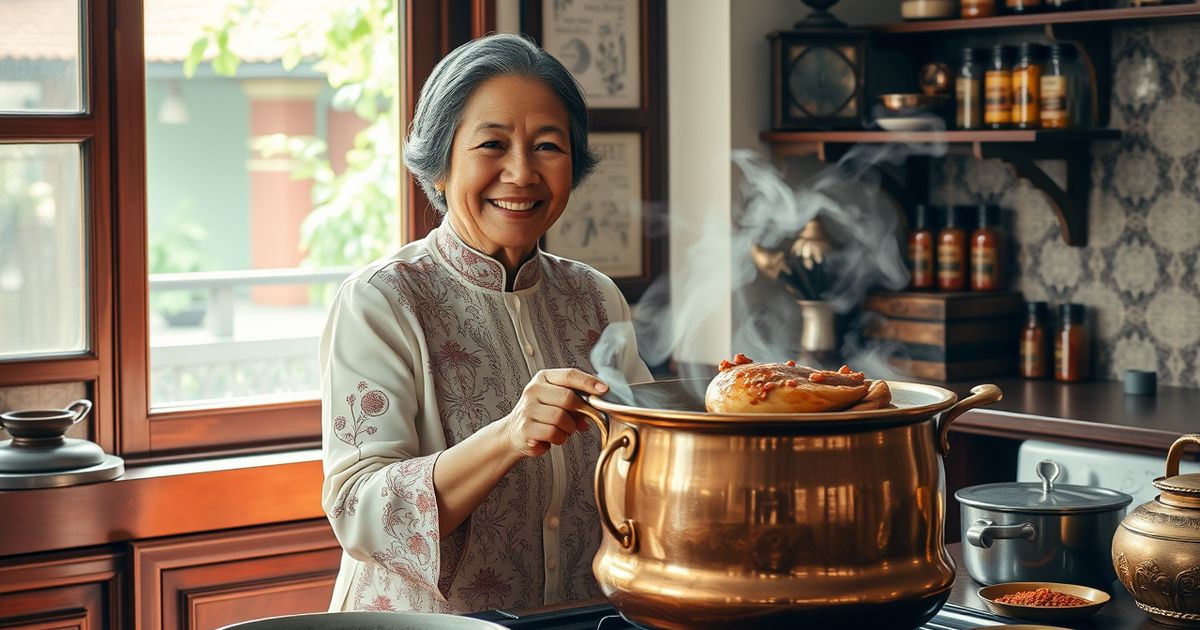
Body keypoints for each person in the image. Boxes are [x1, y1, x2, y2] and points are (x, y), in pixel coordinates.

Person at [319, 33, 651, 614]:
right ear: (439, 166)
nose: (522, 173)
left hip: (581, 619)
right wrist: (508, 436)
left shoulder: (596, 299)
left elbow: (646, 463)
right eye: (492, 144)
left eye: (549, 146)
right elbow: (358, 512)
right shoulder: (382, 301)